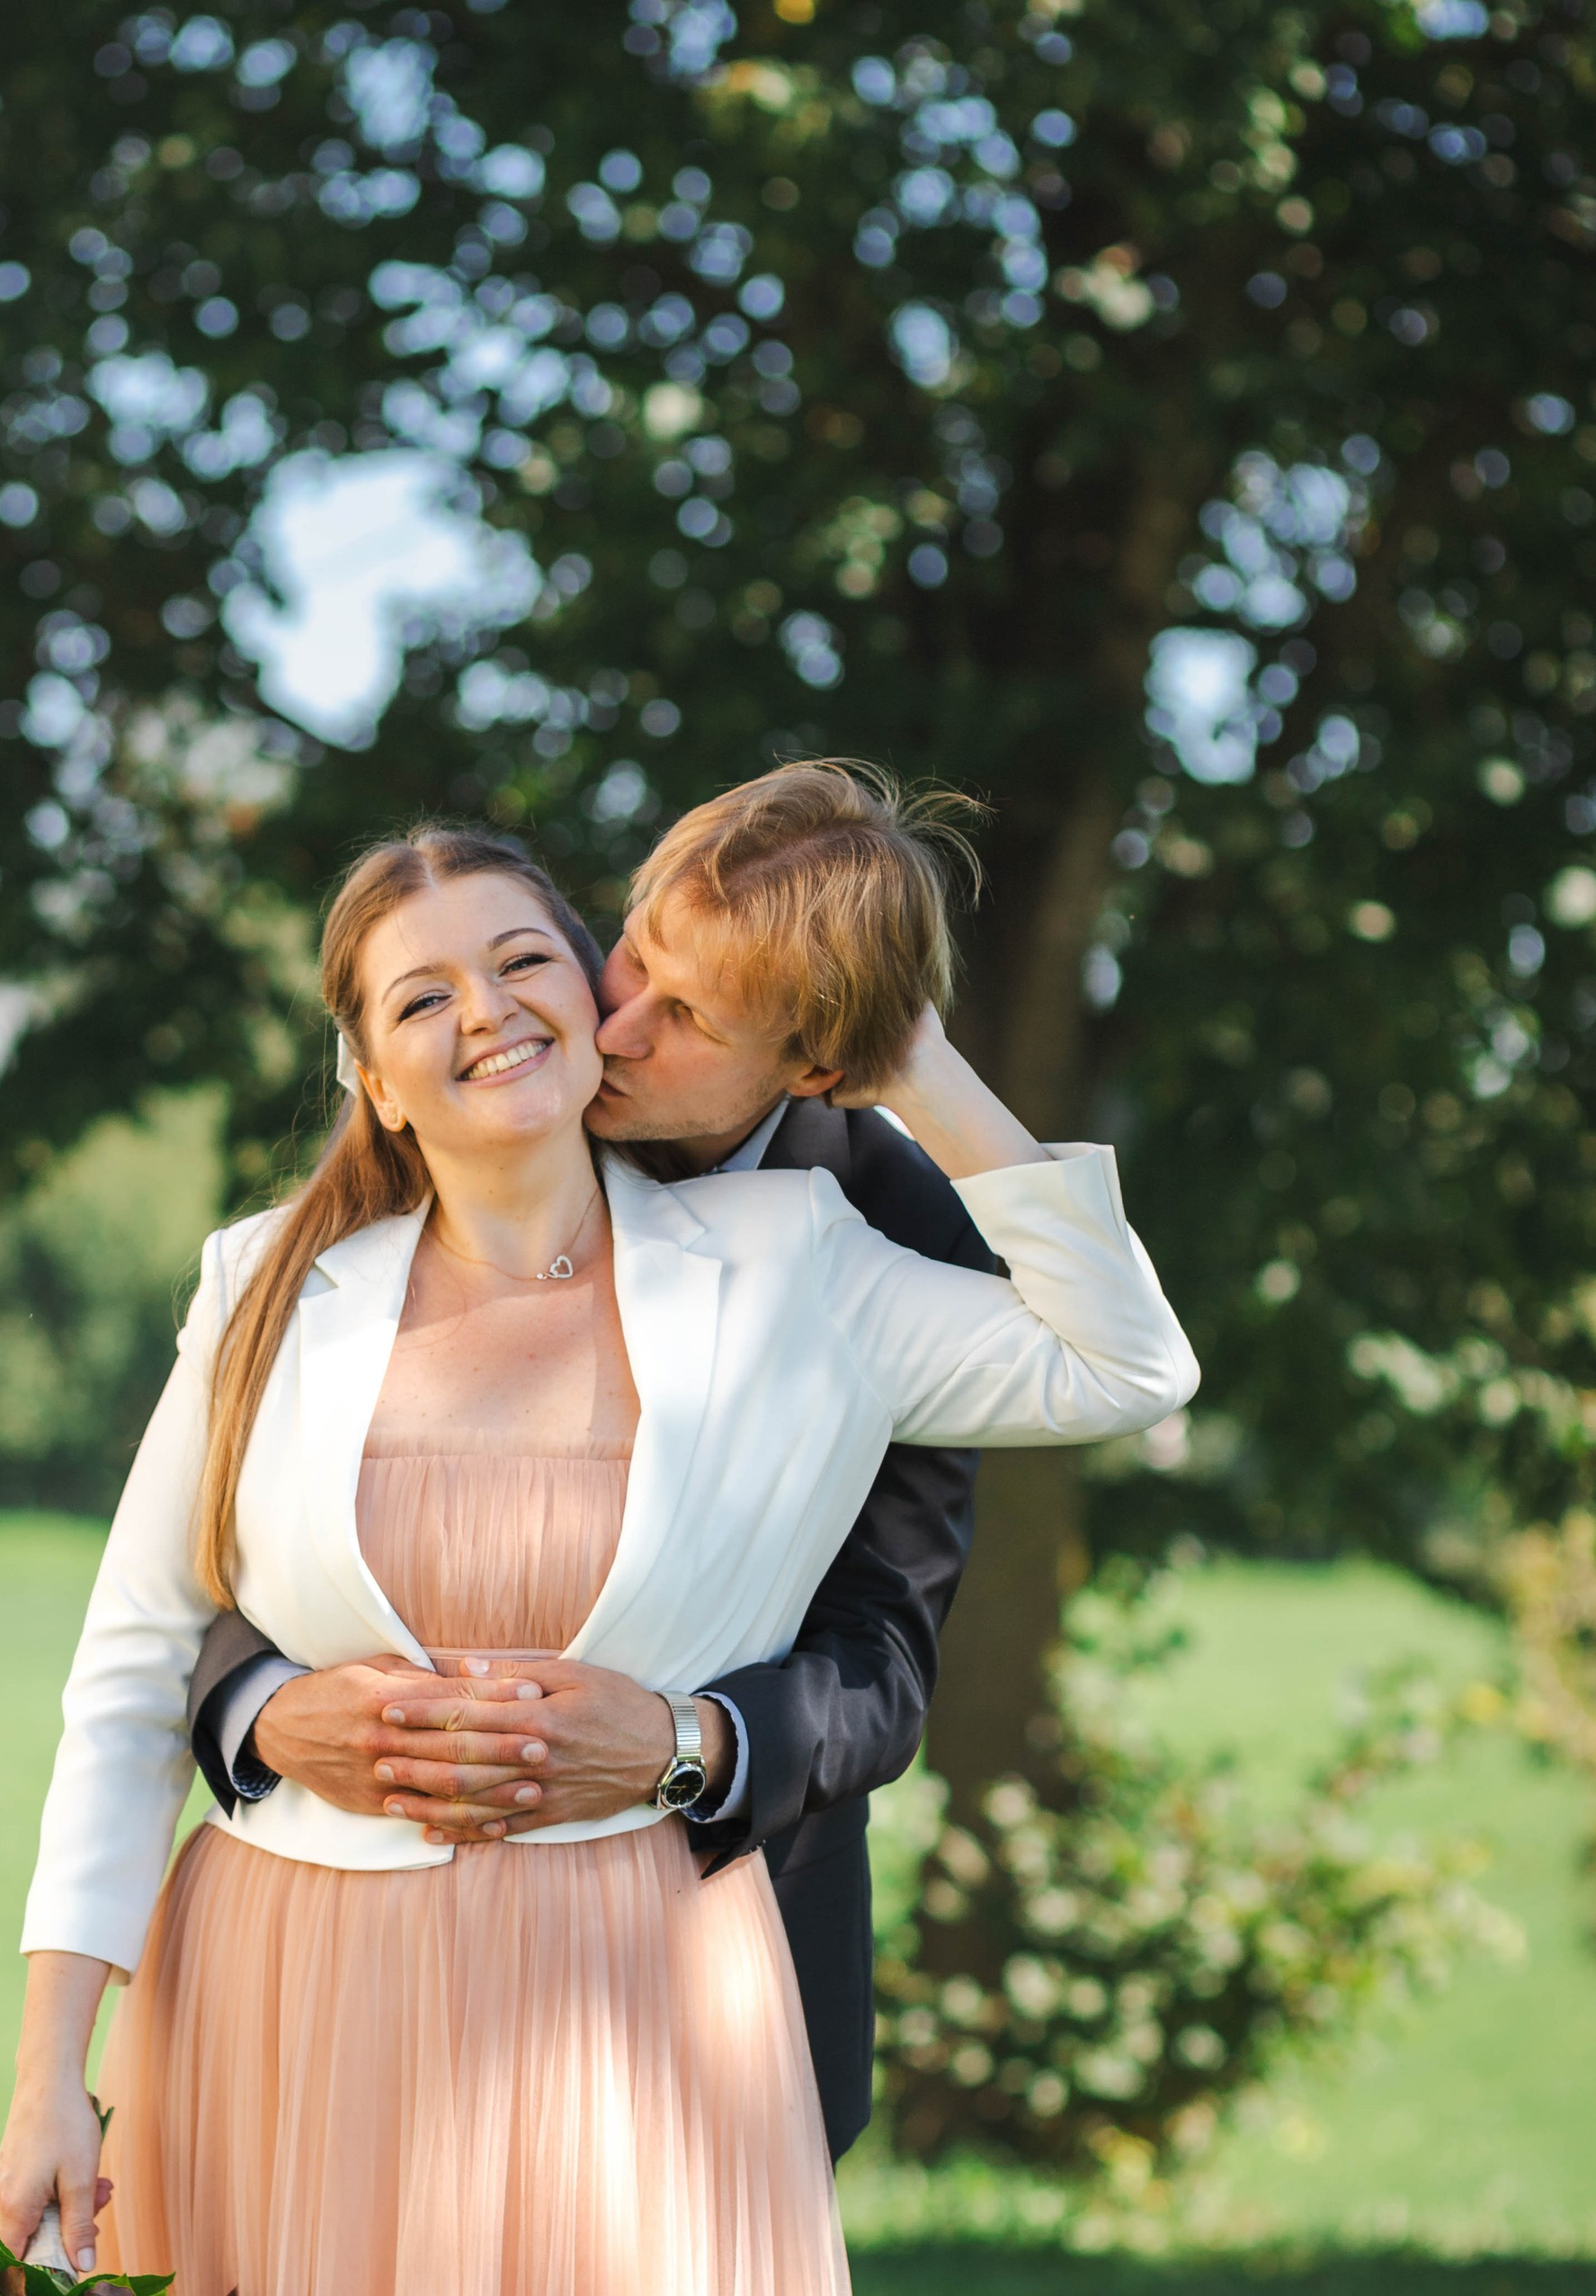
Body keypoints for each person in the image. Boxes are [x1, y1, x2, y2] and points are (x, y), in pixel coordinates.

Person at [0, 788, 1197, 2296]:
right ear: (365, 1062)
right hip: (283, 2008)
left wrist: (898, 1034)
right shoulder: (268, 1284)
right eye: (424, 994)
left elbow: (1124, 1366)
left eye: (536, 961)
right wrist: (48, 2058)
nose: (526, 1011)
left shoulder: (815, 1262)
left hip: (641, 1995)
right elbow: (129, 1663)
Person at [183, 764, 1008, 2164]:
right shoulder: (434, 1158)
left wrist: (688, 1740)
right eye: (625, 956)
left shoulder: (882, 1228)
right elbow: (228, 1541)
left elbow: (884, 1649)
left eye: (684, 1016)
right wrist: (259, 1709)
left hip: (707, 1934)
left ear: (812, 1064)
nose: (613, 1024)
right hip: (361, 1922)